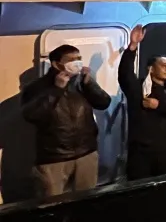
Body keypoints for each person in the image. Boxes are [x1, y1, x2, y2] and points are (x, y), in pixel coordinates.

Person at [21, 45, 112, 197]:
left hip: (86, 153)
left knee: (86, 200)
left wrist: (89, 83)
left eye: (79, 59)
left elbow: (104, 103)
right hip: (54, 158)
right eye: (71, 60)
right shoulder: (36, 87)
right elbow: (32, 115)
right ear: (57, 64)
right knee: (51, 204)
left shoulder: (80, 82)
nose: (77, 62)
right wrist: (57, 90)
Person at [119, 24, 166, 180]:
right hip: (140, 152)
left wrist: (159, 105)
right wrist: (133, 46)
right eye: (163, 66)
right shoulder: (138, 88)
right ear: (151, 69)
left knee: (165, 187)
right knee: (139, 188)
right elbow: (125, 74)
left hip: (165, 150)